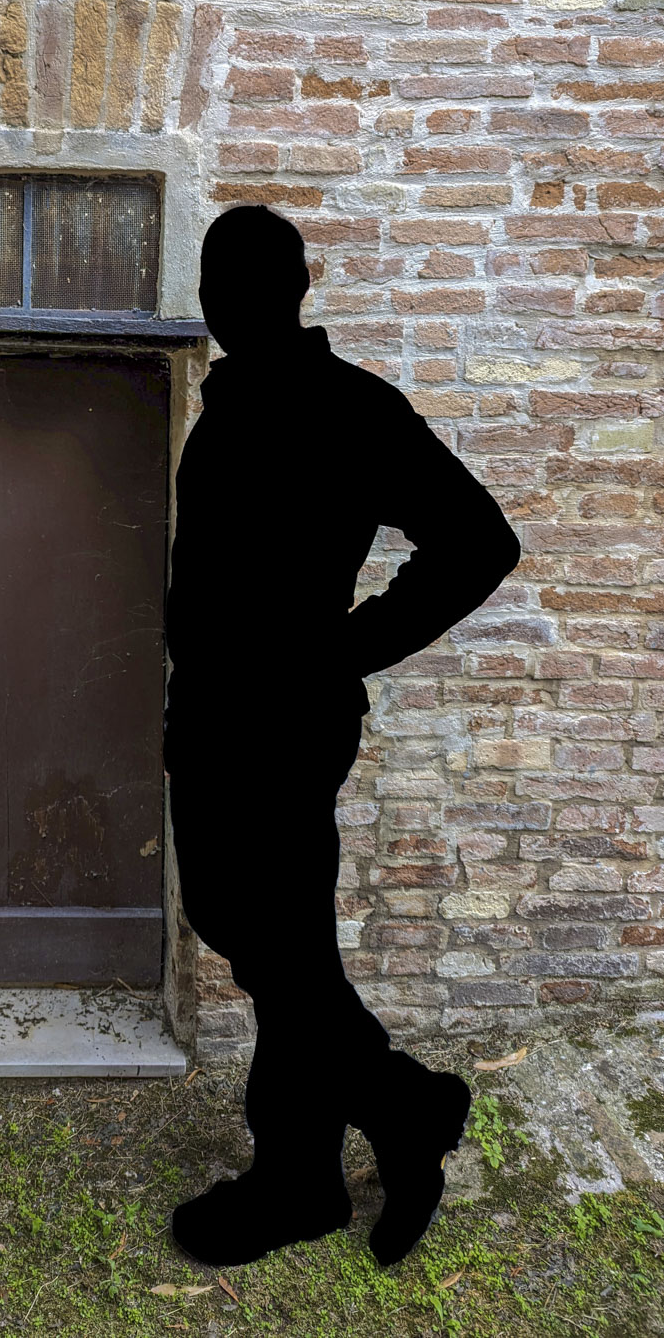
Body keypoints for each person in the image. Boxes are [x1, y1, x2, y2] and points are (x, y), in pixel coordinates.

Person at [164, 205, 522, 1269]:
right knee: (272, 947)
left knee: (277, 950)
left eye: (245, 280)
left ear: (296, 287)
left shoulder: (352, 408)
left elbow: (477, 541)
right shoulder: (221, 409)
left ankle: (335, 1156)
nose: (225, 301)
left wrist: (344, 650)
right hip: (211, 723)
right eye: (216, 281)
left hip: (282, 731)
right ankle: (352, 1144)